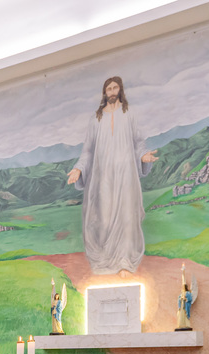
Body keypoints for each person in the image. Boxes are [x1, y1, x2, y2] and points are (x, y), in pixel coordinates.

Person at [66, 76, 158, 274]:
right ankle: (107, 260)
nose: (112, 91)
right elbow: (88, 150)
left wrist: (143, 155)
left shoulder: (129, 113)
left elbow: (138, 142)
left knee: (127, 217)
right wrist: (79, 168)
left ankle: (124, 261)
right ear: (104, 93)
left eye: (115, 87)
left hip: (126, 175)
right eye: (109, 88)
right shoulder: (96, 119)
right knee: (104, 218)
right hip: (103, 177)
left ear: (120, 90)